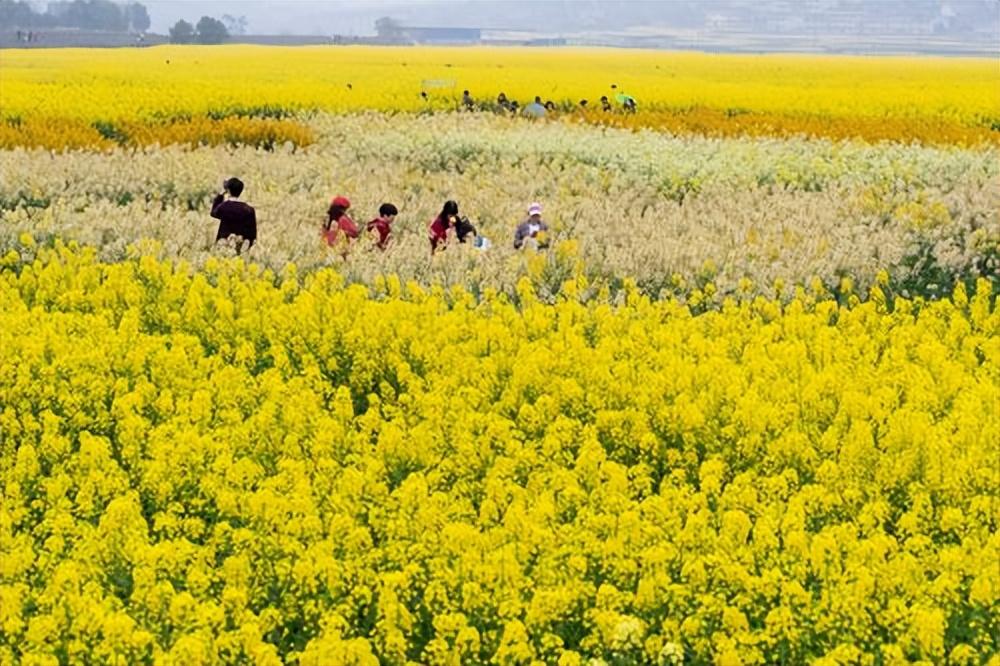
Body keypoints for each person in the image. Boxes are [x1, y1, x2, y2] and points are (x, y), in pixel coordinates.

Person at [210, 177, 256, 254]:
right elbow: (252, 234)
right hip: (240, 248)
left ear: (228, 190)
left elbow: (213, 212)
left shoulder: (223, 207)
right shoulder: (249, 209)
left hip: (223, 246)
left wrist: (221, 195)